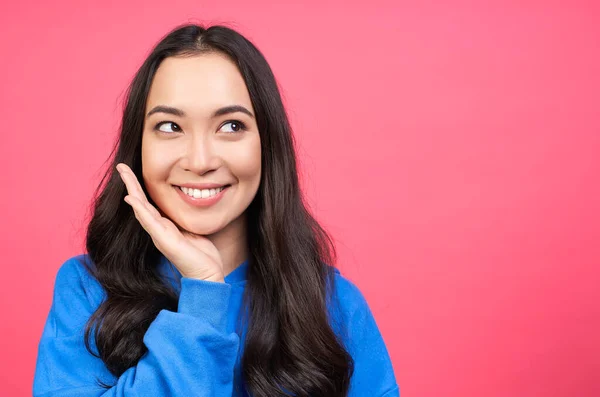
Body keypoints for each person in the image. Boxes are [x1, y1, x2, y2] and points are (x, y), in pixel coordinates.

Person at [33, 23, 400, 397]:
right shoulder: (87, 290)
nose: (200, 160)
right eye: (170, 126)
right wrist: (202, 297)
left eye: (231, 125)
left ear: (267, 146)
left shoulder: (334, 304)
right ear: (138, 146)